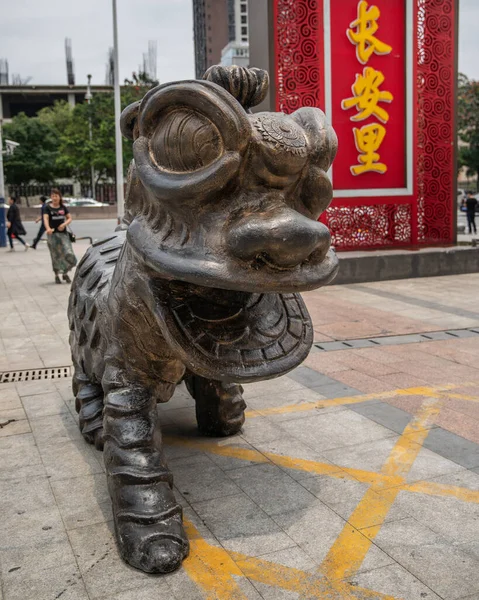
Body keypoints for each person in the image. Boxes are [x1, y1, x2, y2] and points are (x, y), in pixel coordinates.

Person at [43, 188, 77, 284]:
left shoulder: (63, 207)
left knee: (68, 253)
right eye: (53, 196)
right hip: (53, 235)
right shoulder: (47, 208)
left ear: (59, 197)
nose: (54, 198)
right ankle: (57, 274)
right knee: (56, 256)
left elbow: (69, 218)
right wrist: (48, 228)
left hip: (63, 235)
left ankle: (65, 272)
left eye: (56, 196)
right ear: (51, 197)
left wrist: (64, 224)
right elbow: (45, 219)